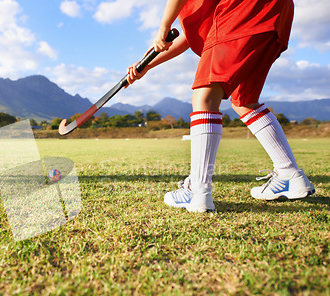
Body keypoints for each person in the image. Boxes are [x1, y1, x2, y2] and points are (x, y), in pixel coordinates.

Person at [126, 0, 315, 212]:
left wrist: (163, 26)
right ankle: (290, 174)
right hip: (276, 11)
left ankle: (197, 190)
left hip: (242, 8)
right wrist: (147, 65)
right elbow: (189, 36)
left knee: (204, 97)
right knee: (244, 100)